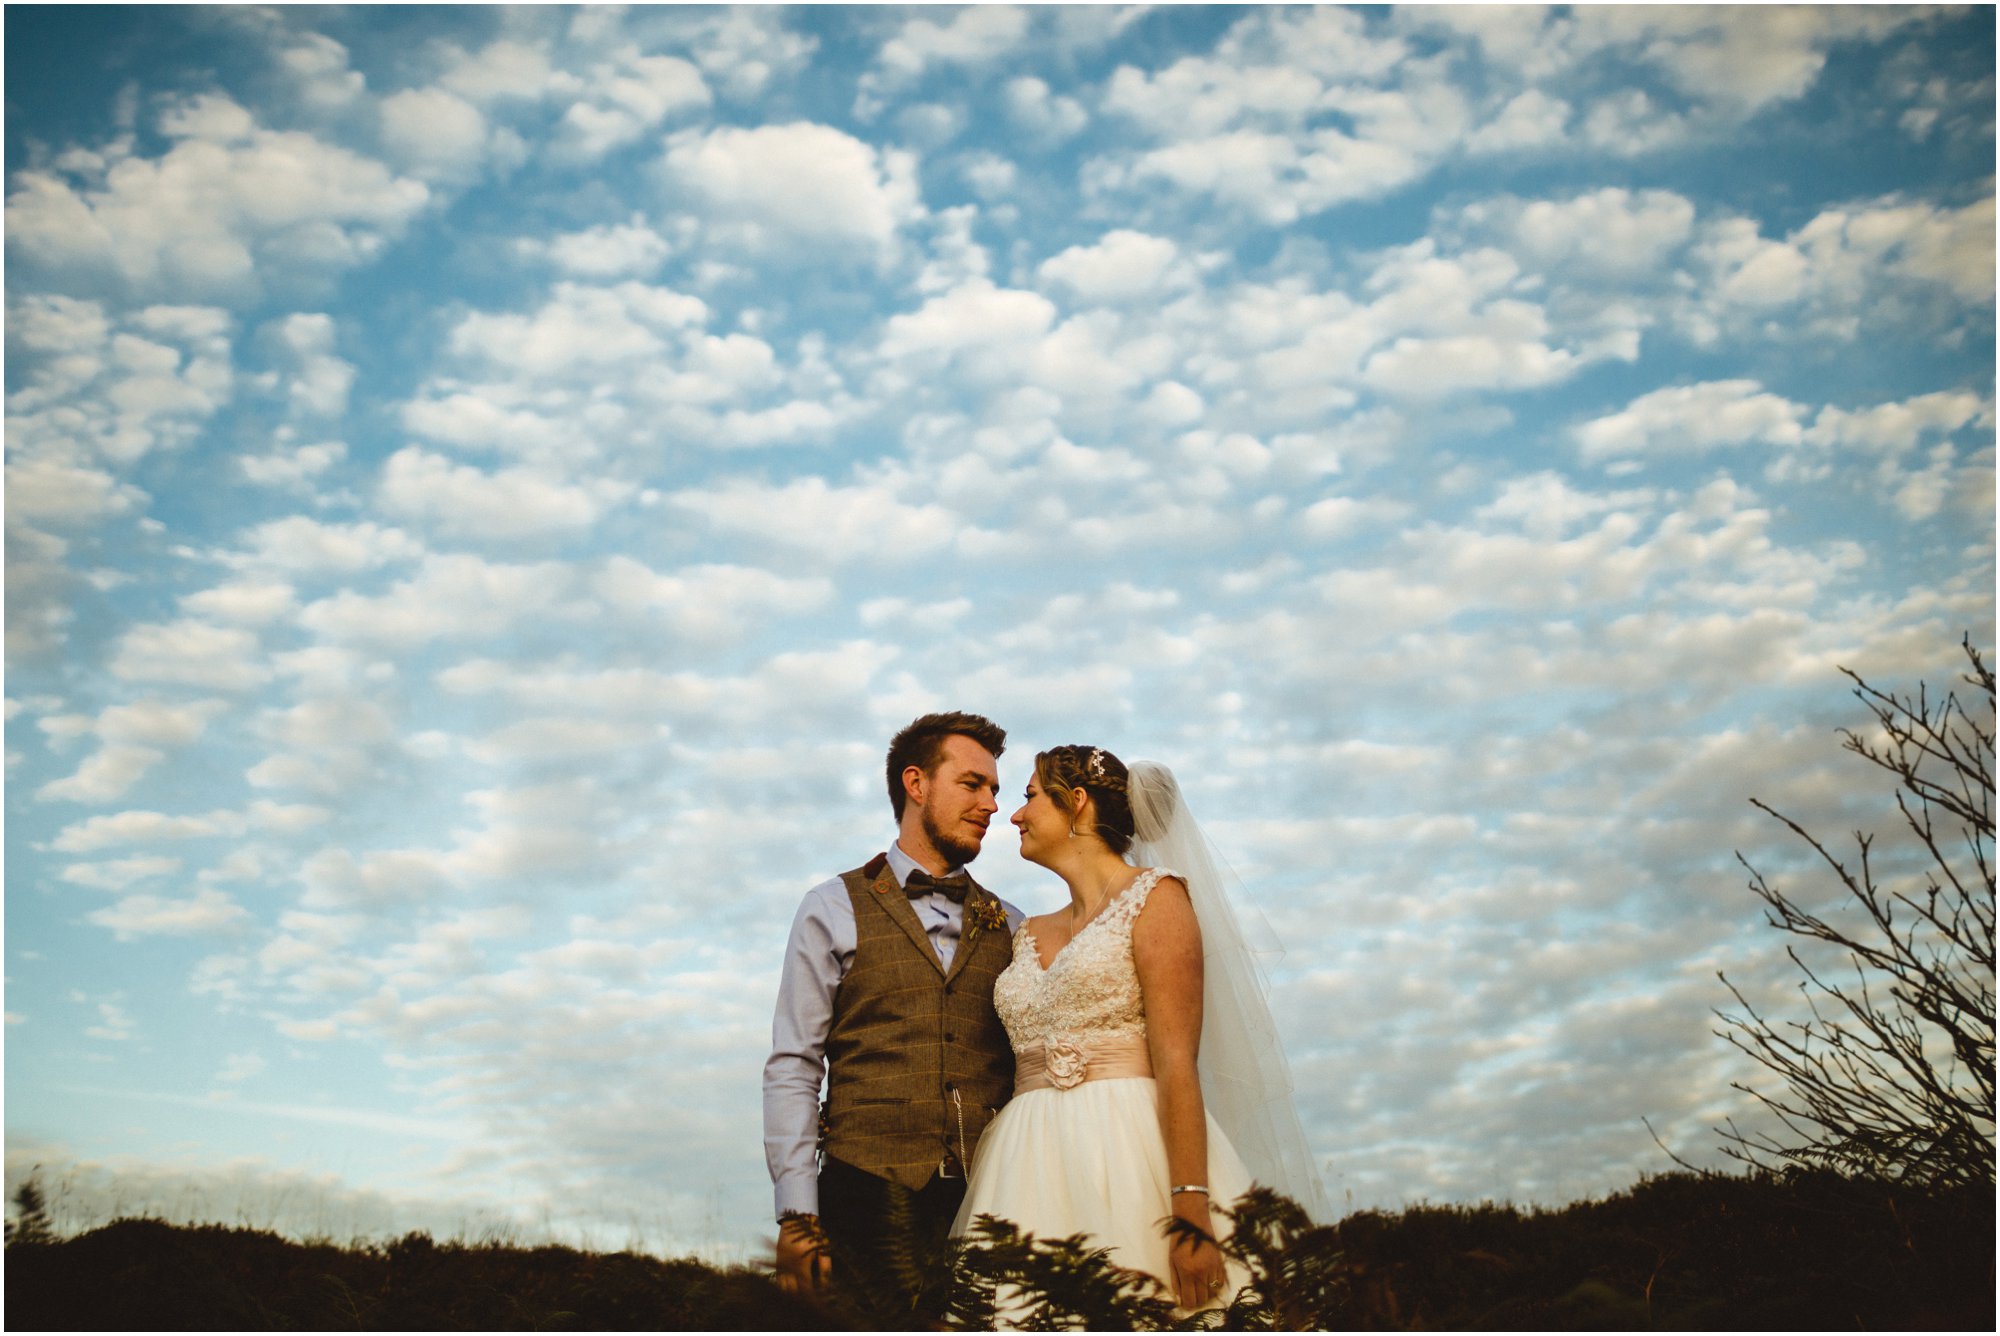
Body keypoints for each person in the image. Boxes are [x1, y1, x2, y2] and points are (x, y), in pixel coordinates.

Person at [952, 745, 1325, 1313]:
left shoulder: (1157, 898)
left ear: (1076, 804)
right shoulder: (1026, 934)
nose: (1015, 815)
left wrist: (1192, 1212)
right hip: (1026, 1163)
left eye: (1029, 798)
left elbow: (1177, 1061)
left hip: (1128, 1150)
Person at [763, 710, 1025, 1319]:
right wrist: (798, 1215)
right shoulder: (830, 906)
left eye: (995, 788)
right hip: (861, 1195)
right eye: (972, 783)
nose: (991, 804)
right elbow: (795, 1064)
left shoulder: (1013, 925)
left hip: (989, 1204)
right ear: (916, 784)